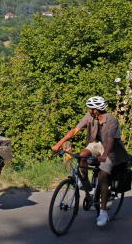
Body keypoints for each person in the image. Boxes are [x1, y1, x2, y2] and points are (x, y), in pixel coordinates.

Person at [52, 96, 130, 227]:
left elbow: (110, 140)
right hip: (97, 144)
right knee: (82, 155)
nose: (88, 110)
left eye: (90, 108)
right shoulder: (89, 117)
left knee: (103, 175)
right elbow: (75, 130)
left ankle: (103, 212)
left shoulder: (111, 120)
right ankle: (87, 186)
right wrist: (59, 143)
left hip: (113, 150)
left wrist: (105, 155)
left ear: (97, 110)